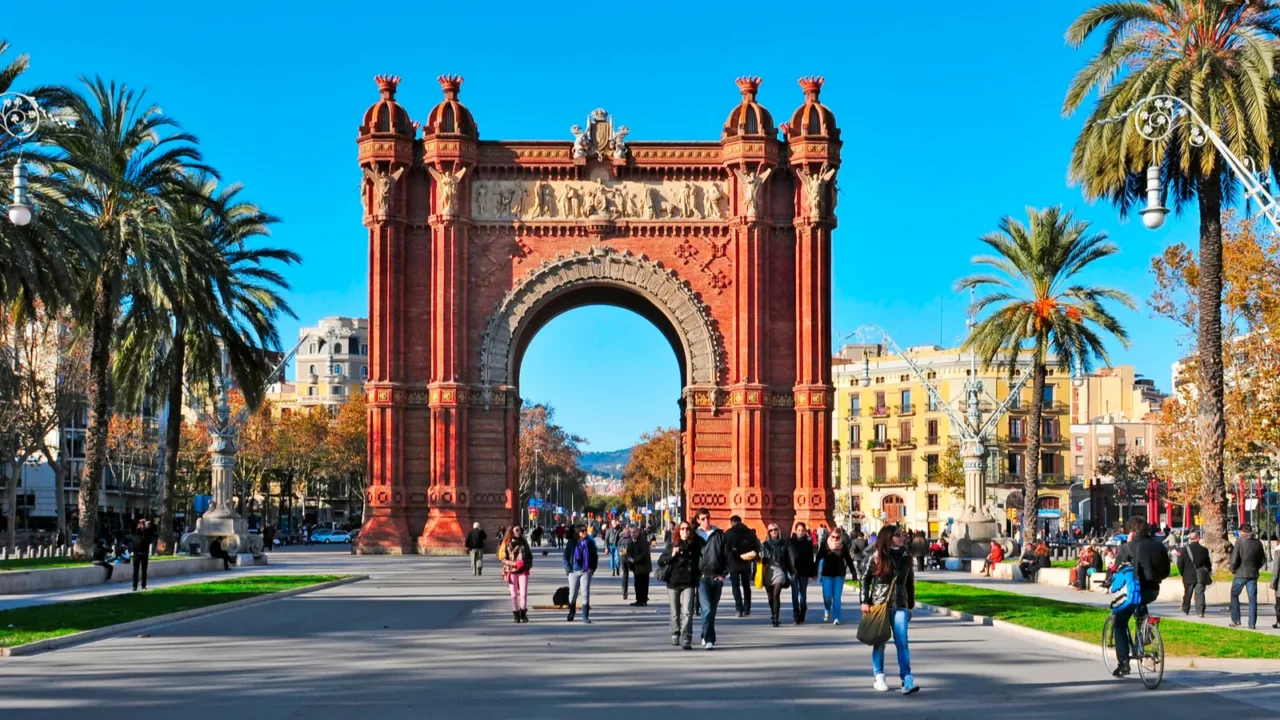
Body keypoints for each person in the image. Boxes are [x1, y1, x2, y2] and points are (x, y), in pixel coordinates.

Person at [860, 524, 918, 695]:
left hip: (900, 604)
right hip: (879, 604)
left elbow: (909, 583)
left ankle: (906, 679)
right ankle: (879, 676)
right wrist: (865, 601)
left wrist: (910, 606)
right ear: (888, 537)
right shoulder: (877, 556)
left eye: (901, 534)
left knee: (902, 643)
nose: (902, 537)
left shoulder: (906, 556)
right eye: (897, 535)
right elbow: (864, 579)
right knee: (879, 642)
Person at [1112, 518, 1171, 676]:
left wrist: (1107, 581)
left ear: (1132, 531)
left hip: (1135, 590)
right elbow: (1166, 569)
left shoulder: (1130, 546)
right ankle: (1144, 633)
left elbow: (1117, 567)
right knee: (1141, 609)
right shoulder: (1158, 545)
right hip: (1153, 589)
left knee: (1119, 621)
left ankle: (1123, 663)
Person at [660, 521, 700, 649]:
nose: (685, 531)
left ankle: (686, 636)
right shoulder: (672, 545)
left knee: (687, 611)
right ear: (678, 531)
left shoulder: (695, 545)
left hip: (689, 582)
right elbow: (661, 561)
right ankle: (675, 633)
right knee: (675, 611)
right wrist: (672, 555)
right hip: (673, 581)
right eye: (682, 529)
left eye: (687, 529)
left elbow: (701, 560)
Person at [693, 508, 729, 650]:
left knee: (712, 610)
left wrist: (724, 574)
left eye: (708, 517)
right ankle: (709, 639)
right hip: (702, 577)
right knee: (707, 608)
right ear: (698, 520)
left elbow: (726, 555)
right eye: (703, 519)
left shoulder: (719, 534)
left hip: (717, 577)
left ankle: (704, 633)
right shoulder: (695, 536)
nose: (706, 521)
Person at [1229, 523, 1266, 630]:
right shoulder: (1258, 543)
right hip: (1253, 574)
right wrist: (1255, 567)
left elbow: (1234, 559)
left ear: (1242, 532)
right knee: (1252, 599)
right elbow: (1263, 560)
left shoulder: (1239, 542)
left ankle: (1236, 620)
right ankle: (1252, 623)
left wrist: (1232, 569)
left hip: (1240, 574)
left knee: (1234, 594)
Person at [817, 527, 856, 624]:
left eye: (837, 537)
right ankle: (827, 609)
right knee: (827, 597)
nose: (835, 539)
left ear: (840, 537)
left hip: (839, 574)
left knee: (837, 597)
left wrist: (853, 572)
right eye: (833, 537)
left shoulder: (843, 546)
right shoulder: (825, 545)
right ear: (830, 536)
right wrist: (813, 571)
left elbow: (848, 560)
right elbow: (818, 558)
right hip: (826, 574)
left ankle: (836, 617)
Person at [723, 515, 760, 617]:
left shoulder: (728, 533)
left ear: (732, 522)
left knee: (735, 586)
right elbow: (757, 545)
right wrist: (754, 557)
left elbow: (724, 550)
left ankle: (739, 609)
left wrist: (725, 564)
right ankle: (747, 608)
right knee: (746, 586)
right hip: (746, 562)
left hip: (733, 563)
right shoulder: (749, 532)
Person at [759, 523, 793, 627]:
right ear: (768, 532)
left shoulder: (784, 543)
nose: (773, 532)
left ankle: (775, 618)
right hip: (768, 571)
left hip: (780, 571)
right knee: (770, 597)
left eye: (775, 530)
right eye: (771, 530)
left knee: (775, 594)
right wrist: (760, 557)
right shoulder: (765, 544)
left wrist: (792, 571)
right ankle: (773, 612)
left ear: (778, 530)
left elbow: (788, 559)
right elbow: (760, 561)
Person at [562, 524, 598, 623]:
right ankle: (571, 611)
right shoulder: (571, 543)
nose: (585, 532)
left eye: (586, 530)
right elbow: (565, 556)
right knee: (572, 594)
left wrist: (592, 568)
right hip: (573, 572)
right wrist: (568, 569)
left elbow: (595, 557)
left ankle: (585, 616)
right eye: (583, 531)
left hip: (585, 571)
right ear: (578, 533)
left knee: (585, 593)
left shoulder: (590, 543)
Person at [501, 526, 533, 623]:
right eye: (517, 530)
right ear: (512, 532)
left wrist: (527, 566)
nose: (519, 532)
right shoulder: (507, 543)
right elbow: (503, 559)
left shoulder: (524, 542)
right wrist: (514, 564)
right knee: (514, 594)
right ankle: (516, 614)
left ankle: (523, 613)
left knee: (523, 594)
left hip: (523, 571)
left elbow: (530, 556)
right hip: (511, 571)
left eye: (520, 530)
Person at [1176, 531, 1211, 617]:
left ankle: (1186, 608)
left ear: (1190, 539)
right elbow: (1208, 563)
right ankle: (1200, 611)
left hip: (1188, 575)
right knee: (1200, 593)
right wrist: (1208, 571)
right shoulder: (1204, 550)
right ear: (1198, 538)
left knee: (1188, 593)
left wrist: (1183, 573)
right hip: (1200, 575)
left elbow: (1180, 563)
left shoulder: (1185, 550)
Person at [788, 521, 817, 624]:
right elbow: (788, 558)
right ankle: (796, 614)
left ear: (805, 531)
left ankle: (803, 610)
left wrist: (811, 574)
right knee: (794, 593)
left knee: (802, 594)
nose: (800, 532)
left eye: (802, 530)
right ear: (795, 531)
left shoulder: (808, 542)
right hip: (793, 571)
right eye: (799, 530)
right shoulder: (791, 542)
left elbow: (810, 559)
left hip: (804, 572)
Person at [629, 526, 652, 606]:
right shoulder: (631, 541)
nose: (633, 534)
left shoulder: (643, 541)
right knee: (637, 584)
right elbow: (629, 551)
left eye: (634, 532)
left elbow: (644, 554)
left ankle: (643, 600)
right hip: (636, 567)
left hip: (644, 567)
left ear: (638, 532)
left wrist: (635, 559)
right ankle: (639, 599)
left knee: (643, 584)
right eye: (631, 532)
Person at [129, 519, 155, 591]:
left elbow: (151, 530)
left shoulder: (147, 533)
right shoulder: (135, 533)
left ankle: (143, 586)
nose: (141, 525)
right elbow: (131, 524)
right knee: (135, 571)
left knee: (144, 571)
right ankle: (135, 586)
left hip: (144, 554)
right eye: (140, 524)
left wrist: (144, 527)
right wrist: (139, 521)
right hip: (136, 554)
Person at [1269, 536, 1280, 630]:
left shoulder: (1278, 553)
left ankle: (1279, 622)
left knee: (1278, 605)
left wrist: (1273, 583)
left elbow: (1276, 570)